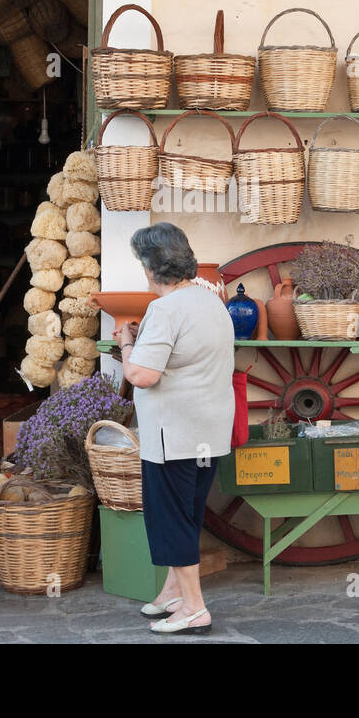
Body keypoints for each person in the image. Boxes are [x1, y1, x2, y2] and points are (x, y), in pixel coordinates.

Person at [115, 222, 235, 636]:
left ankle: (195, 608)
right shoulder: (210, 300)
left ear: (150, 268)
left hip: (173, 437)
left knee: (171, 520)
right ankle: (173, 594)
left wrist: (127, 343)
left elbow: (143, 375)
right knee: (189, 514)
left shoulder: (164, 310)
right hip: (209, 433)